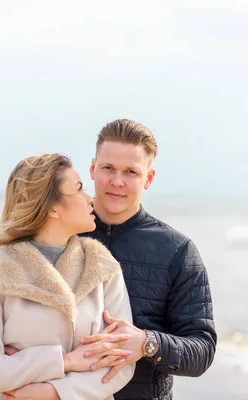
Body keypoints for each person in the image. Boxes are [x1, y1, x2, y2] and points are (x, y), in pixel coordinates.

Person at [0, 153, 136, 400]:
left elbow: (120, 362)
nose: (90, 199)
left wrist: (54, 392)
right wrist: (65, 361)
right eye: (79, 189)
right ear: (52, 206)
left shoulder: (103, 266)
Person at [79, 119, 217, 399]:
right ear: (93, 169)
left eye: (130, 171)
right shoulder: (61, 234)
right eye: (109, 168)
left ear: (149, 178)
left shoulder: (178, 250)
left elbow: (202, 349)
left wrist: (146, 343)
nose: (117, 181)